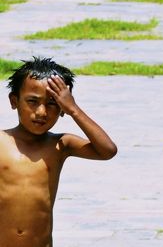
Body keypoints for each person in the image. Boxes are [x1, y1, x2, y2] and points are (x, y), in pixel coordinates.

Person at [1, 57, 118, 247]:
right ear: (14, 101)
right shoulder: (1, 142)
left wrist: (74, 110)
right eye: (32, 101)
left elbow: (107, 150)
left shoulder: (60, 145)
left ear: (62, 108)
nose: (41, 112)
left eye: (52, 103)